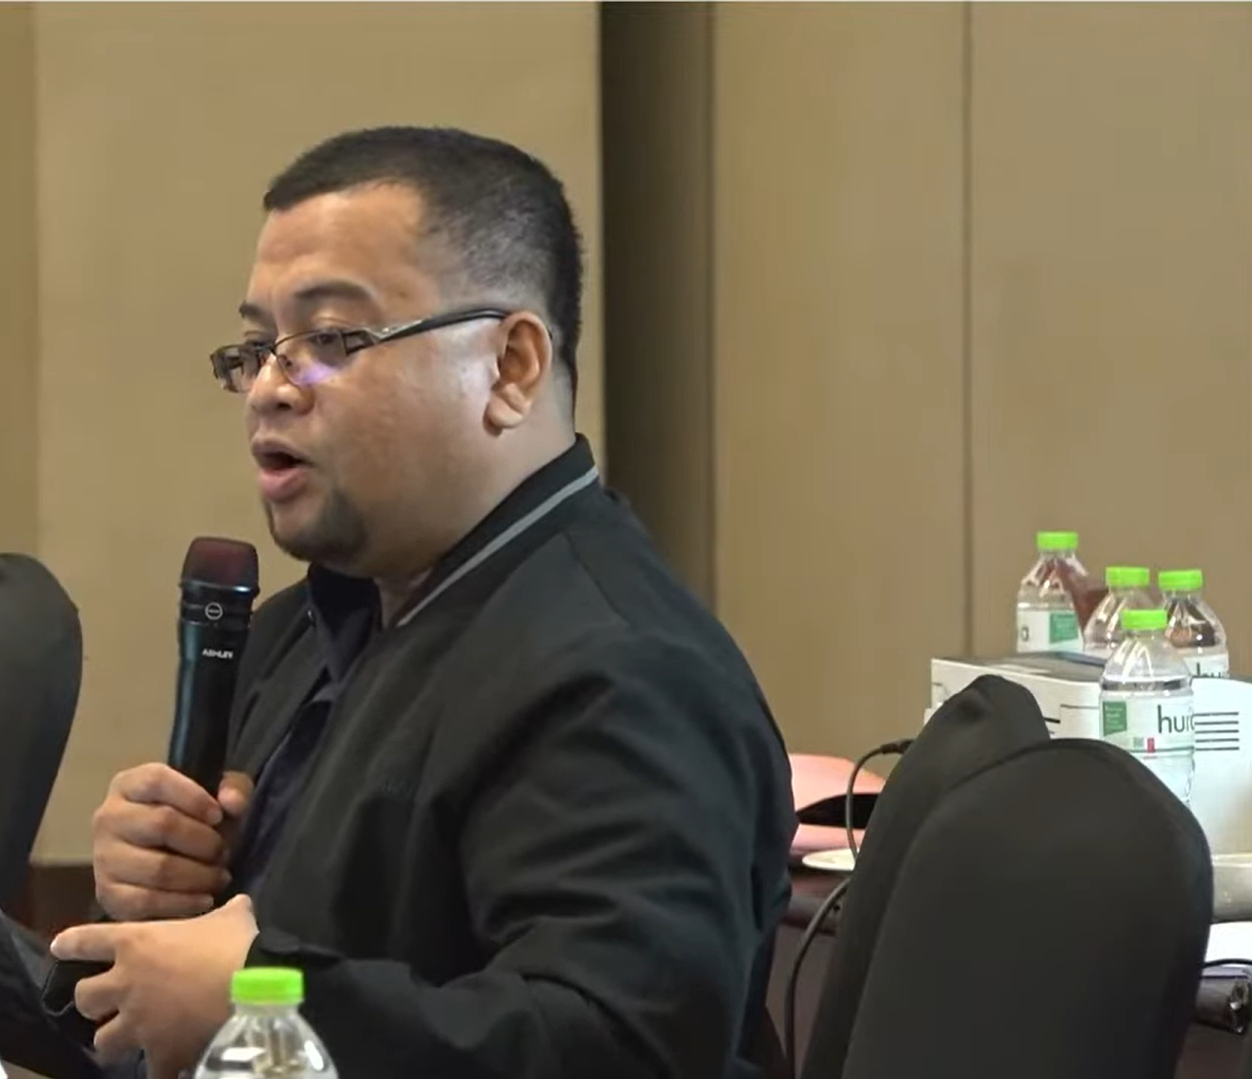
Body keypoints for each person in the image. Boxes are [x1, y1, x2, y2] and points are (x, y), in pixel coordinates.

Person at [48, 127, 795, 1077]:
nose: (270, 389)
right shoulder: (300, 630)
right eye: (258, 347)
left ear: (511, 367)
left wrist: (264, 998)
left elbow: (616, 1044)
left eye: (329, 340)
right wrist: (154, 892)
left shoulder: (626, 674)